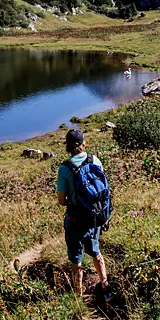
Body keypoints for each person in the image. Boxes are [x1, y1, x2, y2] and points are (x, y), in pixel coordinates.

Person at [57, 129, 114, 301]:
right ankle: (105, 286)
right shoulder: (94, 160)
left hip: (75, 219)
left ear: (67, 146)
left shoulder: (65, 169)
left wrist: (74, 201)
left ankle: (78, 295)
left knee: (76, 259)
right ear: (83, 143)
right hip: (94, 217)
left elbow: (61, 200)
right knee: (96, 252)